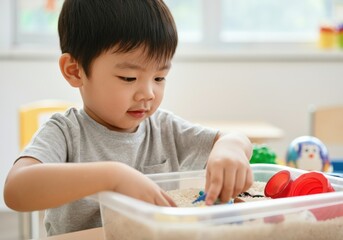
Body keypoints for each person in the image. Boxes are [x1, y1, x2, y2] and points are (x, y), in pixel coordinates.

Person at [4, 0, 253, 236]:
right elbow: (16, 190)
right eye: (128, 78)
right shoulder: (66, 132)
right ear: (75, 70)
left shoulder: (164, 128)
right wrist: (112, 177)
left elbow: (235, 139)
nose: (148, 93)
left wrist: (230, 147)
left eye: (159, 78)